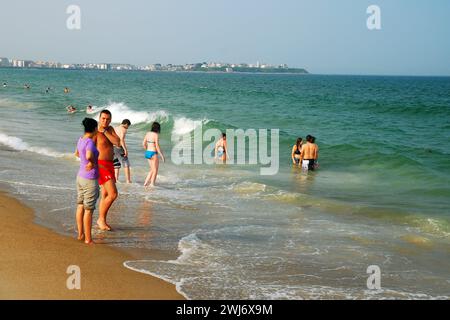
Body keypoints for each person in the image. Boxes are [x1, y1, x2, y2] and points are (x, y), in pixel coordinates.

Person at [74, 118, 100, 245]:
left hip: (80, 176)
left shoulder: (81, 139)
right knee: (88, 209)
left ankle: (80, 234)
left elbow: (77, 154)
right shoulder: (89, 142)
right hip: (90, 179)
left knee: (80, 205)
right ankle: (88, 239)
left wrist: (85, 160)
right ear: (94, 128)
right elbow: (89, 155)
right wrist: (92, 162)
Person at [95, 110, 121, 231]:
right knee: (113, 194)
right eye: (103, 118)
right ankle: (100, 219)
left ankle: (102, 220)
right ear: (99, 118)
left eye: (107, 119)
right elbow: (85, 147)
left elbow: (117, 142)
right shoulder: (94, 131)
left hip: (110, 164)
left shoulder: (109, 129)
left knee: (105, 194)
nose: (105, 121)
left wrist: (105, 131)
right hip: (101, 165)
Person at [143, 122, 165, 187]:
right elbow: (157, 146)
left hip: (147, 153)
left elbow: (143, 144)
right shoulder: (156, 135)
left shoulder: (147, 133)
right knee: (155, 170)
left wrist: (147, 150)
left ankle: (145, 183)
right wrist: (162, 156)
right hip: (153, 153)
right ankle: (152, 184)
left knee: (152, 169)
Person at [113, 119, 132, 183]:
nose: (127, 128)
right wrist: (125, 149)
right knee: (126, 163)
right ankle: (128, 180)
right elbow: (121, 140)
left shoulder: (115, 128)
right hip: (119, 147)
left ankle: (116, 179)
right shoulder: (123, 129)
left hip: (112, 147)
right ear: (126, 124)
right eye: (128, 126)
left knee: (116, 163)